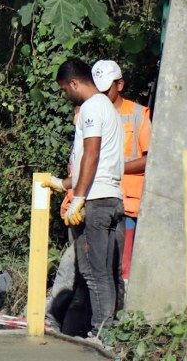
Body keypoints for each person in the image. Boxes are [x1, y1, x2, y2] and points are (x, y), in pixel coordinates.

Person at [46, 59, 125, 340]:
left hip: (96, 200)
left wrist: (78, 197)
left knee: (94, 272)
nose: (66, 96)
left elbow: (91, 153)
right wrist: (62, 183)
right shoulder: (110, 108)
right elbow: (95, 161)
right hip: (114, 197)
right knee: (111, 271)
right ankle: (112, 328)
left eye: (65, 90)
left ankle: (101, 332)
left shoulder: (91, 107)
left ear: (74, 83)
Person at [91, 59, 152, 281]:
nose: (103, 95)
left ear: (120, 85)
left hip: (128, 204)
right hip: (97, 200)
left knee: (123, 267)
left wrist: (112, 168)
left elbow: (150, 160)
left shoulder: (138, 114)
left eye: (107, 89)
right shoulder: (89, 113)